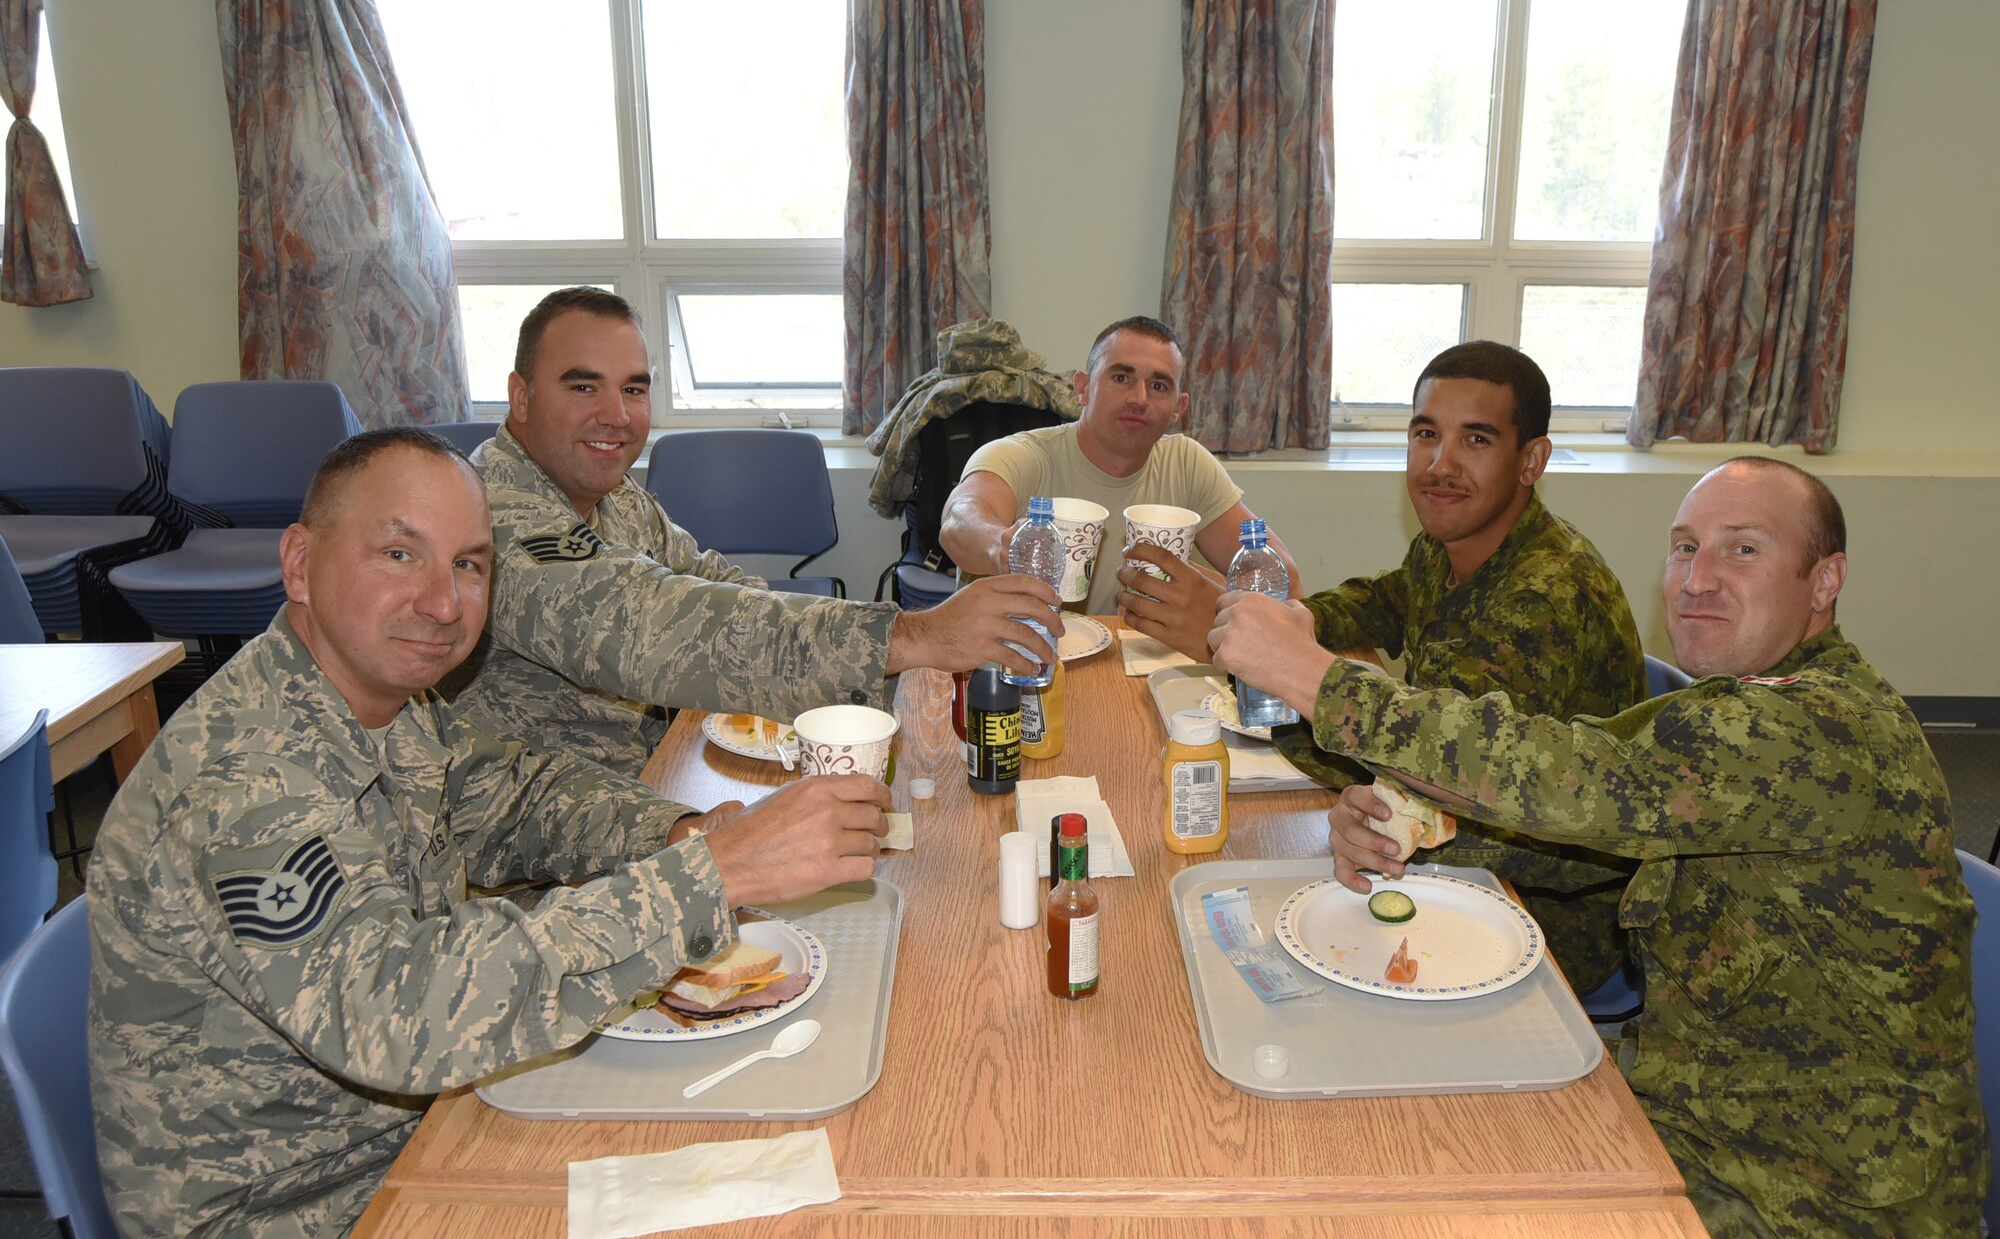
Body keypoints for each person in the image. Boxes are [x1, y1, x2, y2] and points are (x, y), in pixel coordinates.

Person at [88, 429, 889, 1237]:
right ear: (299, 563)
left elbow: (513, 794)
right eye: (400, 555)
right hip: (304, 1201)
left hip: (416, 1124)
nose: (442, 603)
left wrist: (681, 828)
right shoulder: (241, 782)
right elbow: (397, 1011)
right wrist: (711, 876)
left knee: (786, 1151)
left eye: (468, 564)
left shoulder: (385, 703)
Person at [1211, 457, 1985, 1238]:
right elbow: (1598, 830)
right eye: (1685, 547)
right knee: (1391, 1128)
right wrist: (1416, 825)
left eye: (1741, 550)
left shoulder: (1820, 731)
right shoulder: (1748, 708)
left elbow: (1572, 773)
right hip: (1701, 1109)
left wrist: (1316, 678)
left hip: (1816, 1192)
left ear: (1826, 579)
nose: (1697, 577)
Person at [447, 286, 1061, 777]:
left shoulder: (607, 492)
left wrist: (900, 662)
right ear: (520, 397)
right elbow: (653, 627)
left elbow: (712, 582)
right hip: (551, 848)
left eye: (633, 389)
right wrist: (914, 635)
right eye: (583, 386)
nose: (617, 415)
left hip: (656, 771)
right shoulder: (491, 517)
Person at [1274, 341, 1647, 993]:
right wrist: (1297, 623)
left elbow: (1453, 790)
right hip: (1451, 858)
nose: (1439, 465)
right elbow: (1388, 600)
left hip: (1540, 916)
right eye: (1425, 434)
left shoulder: (1543, 600)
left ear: (1531, 459)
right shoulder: (1451, 542)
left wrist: (1279, 699)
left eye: (1475, 439)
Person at [938, 315, 1297, 634]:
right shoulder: (1020, 454)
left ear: (1178, 408)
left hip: (1135, 668)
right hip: (1016, 666)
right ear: (1083, 387)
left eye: (1159, 385)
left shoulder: (1187, 463)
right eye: (1122, 377)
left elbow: (1286, 580)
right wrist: (1002, 545)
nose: (1139, 399)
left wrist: (1210, 596)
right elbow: (959, 521)